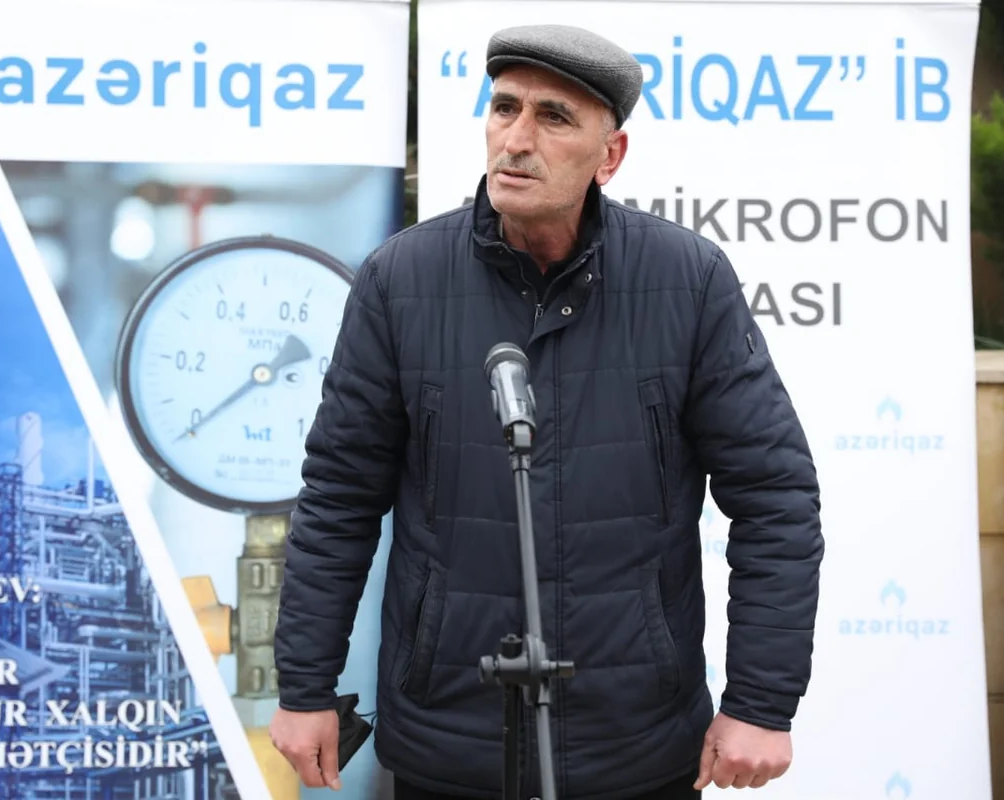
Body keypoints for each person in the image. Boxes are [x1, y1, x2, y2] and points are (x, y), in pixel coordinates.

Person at [269, 23, 824, 800]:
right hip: (449, 743)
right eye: (505, 108)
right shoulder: (400, 280)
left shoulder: (688, 280)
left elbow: (775, 499)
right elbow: (338, 498)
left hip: (635, 747)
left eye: (553, 117)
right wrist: (304, 685)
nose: (517, 139)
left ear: (610, 155)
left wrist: (761, 704)